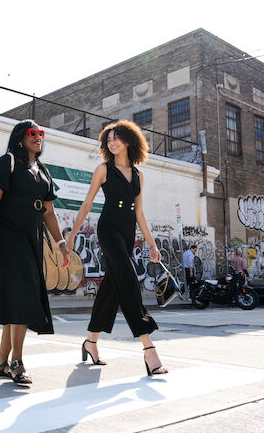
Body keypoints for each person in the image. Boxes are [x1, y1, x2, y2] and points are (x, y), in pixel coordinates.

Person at [66, 120, 168, 376]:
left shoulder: (138, 174)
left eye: (116, 138)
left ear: (128, 140)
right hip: (108, 229)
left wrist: (152, 243)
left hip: (127, 232)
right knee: (129, 280)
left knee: (111, 288)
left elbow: (141, 213)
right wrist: (71, 236)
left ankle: (91, 341)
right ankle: (148, 348)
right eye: (108, 139)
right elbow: (88, 204)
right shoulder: (103, 169)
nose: (112, 143)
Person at [0, 120, 70, 385]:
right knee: (21, 298)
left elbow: (48, 211)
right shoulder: (7, 162)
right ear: (20, 138)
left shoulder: (41, 170)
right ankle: (17, 363)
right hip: (8, 238)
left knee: (16, 300)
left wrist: (60, 242)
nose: (38, 137)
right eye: (33, 133)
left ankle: (1, 363)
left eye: (41, 134)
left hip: (32, 240)